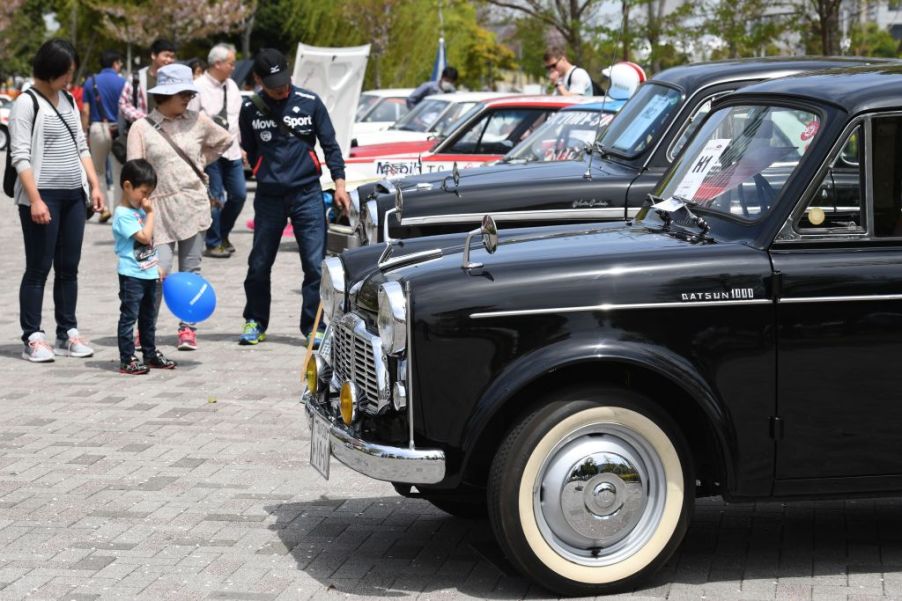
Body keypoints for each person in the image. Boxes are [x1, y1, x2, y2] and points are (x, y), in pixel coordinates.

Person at [237, 48, 350, 347]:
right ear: (259, 80)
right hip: (269, 198)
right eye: (273, 86)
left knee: (314, 265)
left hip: (307, 194)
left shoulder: (310, 103)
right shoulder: (250, 109)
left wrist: (339, 183)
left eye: (285, 82)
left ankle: (314, 326)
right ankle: (255, 321)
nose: (281, 90)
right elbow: (250, 149)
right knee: (259, 263)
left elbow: (330, 145)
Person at [8, 38, 105, 362]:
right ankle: (33, 337)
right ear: (48, 71)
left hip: (73, 195)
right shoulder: (26, 102)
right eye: (66, 73)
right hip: (42, 194)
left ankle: (68, 332)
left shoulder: (68, 100)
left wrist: (94, 184)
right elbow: (20, 156)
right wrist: (35, 200)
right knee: (38, 268)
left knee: (69, 268)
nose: (70, 80)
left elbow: (81, 145)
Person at [126, 63, 233, 352]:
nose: (187, 98)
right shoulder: (141, 127)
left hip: (193, 204)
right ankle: (145, 328)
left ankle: (188, 328)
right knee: (156, 271)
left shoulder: (198, 120)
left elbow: (224, 140)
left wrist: (201, 162)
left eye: (189, 93)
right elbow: (134, 172)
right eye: (182, 93)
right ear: (164, 95)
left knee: (191, 269)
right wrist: (136, 210)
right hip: (156, 209)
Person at [112, 159, 177, 374]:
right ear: (127, 186)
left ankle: (149, 353)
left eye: (149, 193)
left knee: (148, 316)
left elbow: (149, 244)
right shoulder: (123, 215)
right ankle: (127, 358)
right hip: (132, 275)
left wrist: (155, 265)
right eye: (144, 192)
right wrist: (150, 214)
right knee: (129, 316)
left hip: (147, 272)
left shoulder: (139, 211)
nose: (146, 198)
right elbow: (143, 236)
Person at [188, 43, 246, 259]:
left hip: (232, 151)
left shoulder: (232, 86)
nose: (234, 67)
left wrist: (241, 146)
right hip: (209, 153)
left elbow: (236, 119)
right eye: (231, 63)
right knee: (215, 199)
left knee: (239, 195)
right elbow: (191, 122)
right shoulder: (197, 87)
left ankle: (223, 233)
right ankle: (213, 242)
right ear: (218, 63)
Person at [82, 49, 126, 222]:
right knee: (118, 172)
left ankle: (103, 207)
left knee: (97, 170)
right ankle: (119, 211)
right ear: (115, 63)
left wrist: (84, 132)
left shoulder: (90, 82)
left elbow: (85, 111)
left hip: (97, 128)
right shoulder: (122, 82)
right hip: (117, 131)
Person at [118, 38, 176, 128]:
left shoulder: (175, 79)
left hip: (169, 132)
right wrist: (143, 120)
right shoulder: (137, 78)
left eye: (172, 57)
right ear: (153, 55)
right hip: (142, 132)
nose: (169, 60)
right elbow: (123, 104)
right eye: (166, 56)